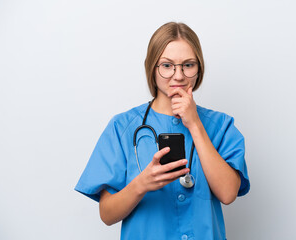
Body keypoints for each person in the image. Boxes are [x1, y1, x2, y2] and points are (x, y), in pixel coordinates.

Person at [75, 22, 250, 240]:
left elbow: (228, 193)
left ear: (199, 68)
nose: (178, 76)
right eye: (167, 66)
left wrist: (195, 124)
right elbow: (107, 214)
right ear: (152, 68)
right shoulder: (122, 127)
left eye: (188, 65)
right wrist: (142, 184)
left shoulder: (220, 125)